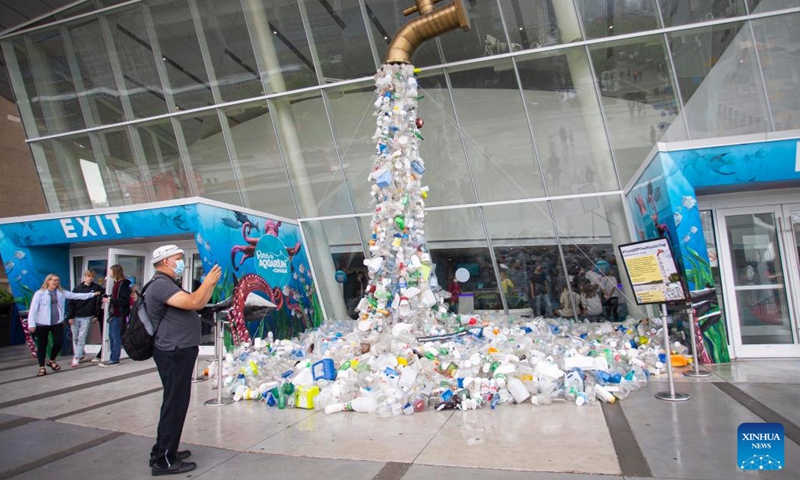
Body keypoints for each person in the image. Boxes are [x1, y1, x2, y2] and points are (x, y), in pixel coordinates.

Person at [147, 245, 221, 475]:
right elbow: (194, 303)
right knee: (175, 403)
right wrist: (208, 281)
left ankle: (165, 449)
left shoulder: (168, 284)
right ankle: (163, 461)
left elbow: (197, 301)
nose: (182, 263)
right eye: (179, 259)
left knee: (175, 401)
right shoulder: (160, 285)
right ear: (166, 261)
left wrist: (211, 285)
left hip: (178, 349)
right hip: (173, 350)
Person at [27, 274, 101, 377]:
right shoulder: (40, 294)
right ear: (48, 281)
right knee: (42, 345)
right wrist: (32, 324)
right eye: (54, 280)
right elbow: (33, 309)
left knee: (58, 342)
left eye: (58, 280)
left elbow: (76, 296)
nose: (56, 282)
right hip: (42, 323)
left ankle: (51, 360)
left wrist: (92, 295)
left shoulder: (61, 292)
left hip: (56, 322)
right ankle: (42, 367)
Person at [65, 270, 103, 367]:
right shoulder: (77, 288)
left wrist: (96, 315)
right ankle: (81, 354)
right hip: (76, 315)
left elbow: (98, 303)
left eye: (92, 276)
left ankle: (76, 357)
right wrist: (70, 316)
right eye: (88, 276)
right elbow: (71, 303)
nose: (90, 278)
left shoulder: (96, 288)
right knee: (76, 337)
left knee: (82, 337)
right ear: (85, 277)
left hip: (87, 316)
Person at [99, 265, 131, 367]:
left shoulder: (122, 284)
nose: (109, 273)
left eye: (111, 271)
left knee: (115, 335)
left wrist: (111, 300)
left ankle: (115, 358)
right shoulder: (116, 284)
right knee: (111, 336)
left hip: (118, 313)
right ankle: (112, 357)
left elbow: (124, 300)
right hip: (114, 313)